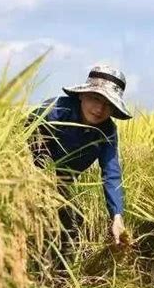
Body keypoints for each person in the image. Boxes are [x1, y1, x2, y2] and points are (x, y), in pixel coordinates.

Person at [26, 65, 132, 270]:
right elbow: (19, 137)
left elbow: (111, 173)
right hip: (33, 173)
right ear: (82, 96)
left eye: (108, 104)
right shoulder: (53, 111)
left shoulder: (107, 131)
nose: (99, 109)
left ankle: (59, 277)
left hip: (64, 181)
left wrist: (117, 217)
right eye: (95, 98)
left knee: (73, 223)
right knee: (42, 220)